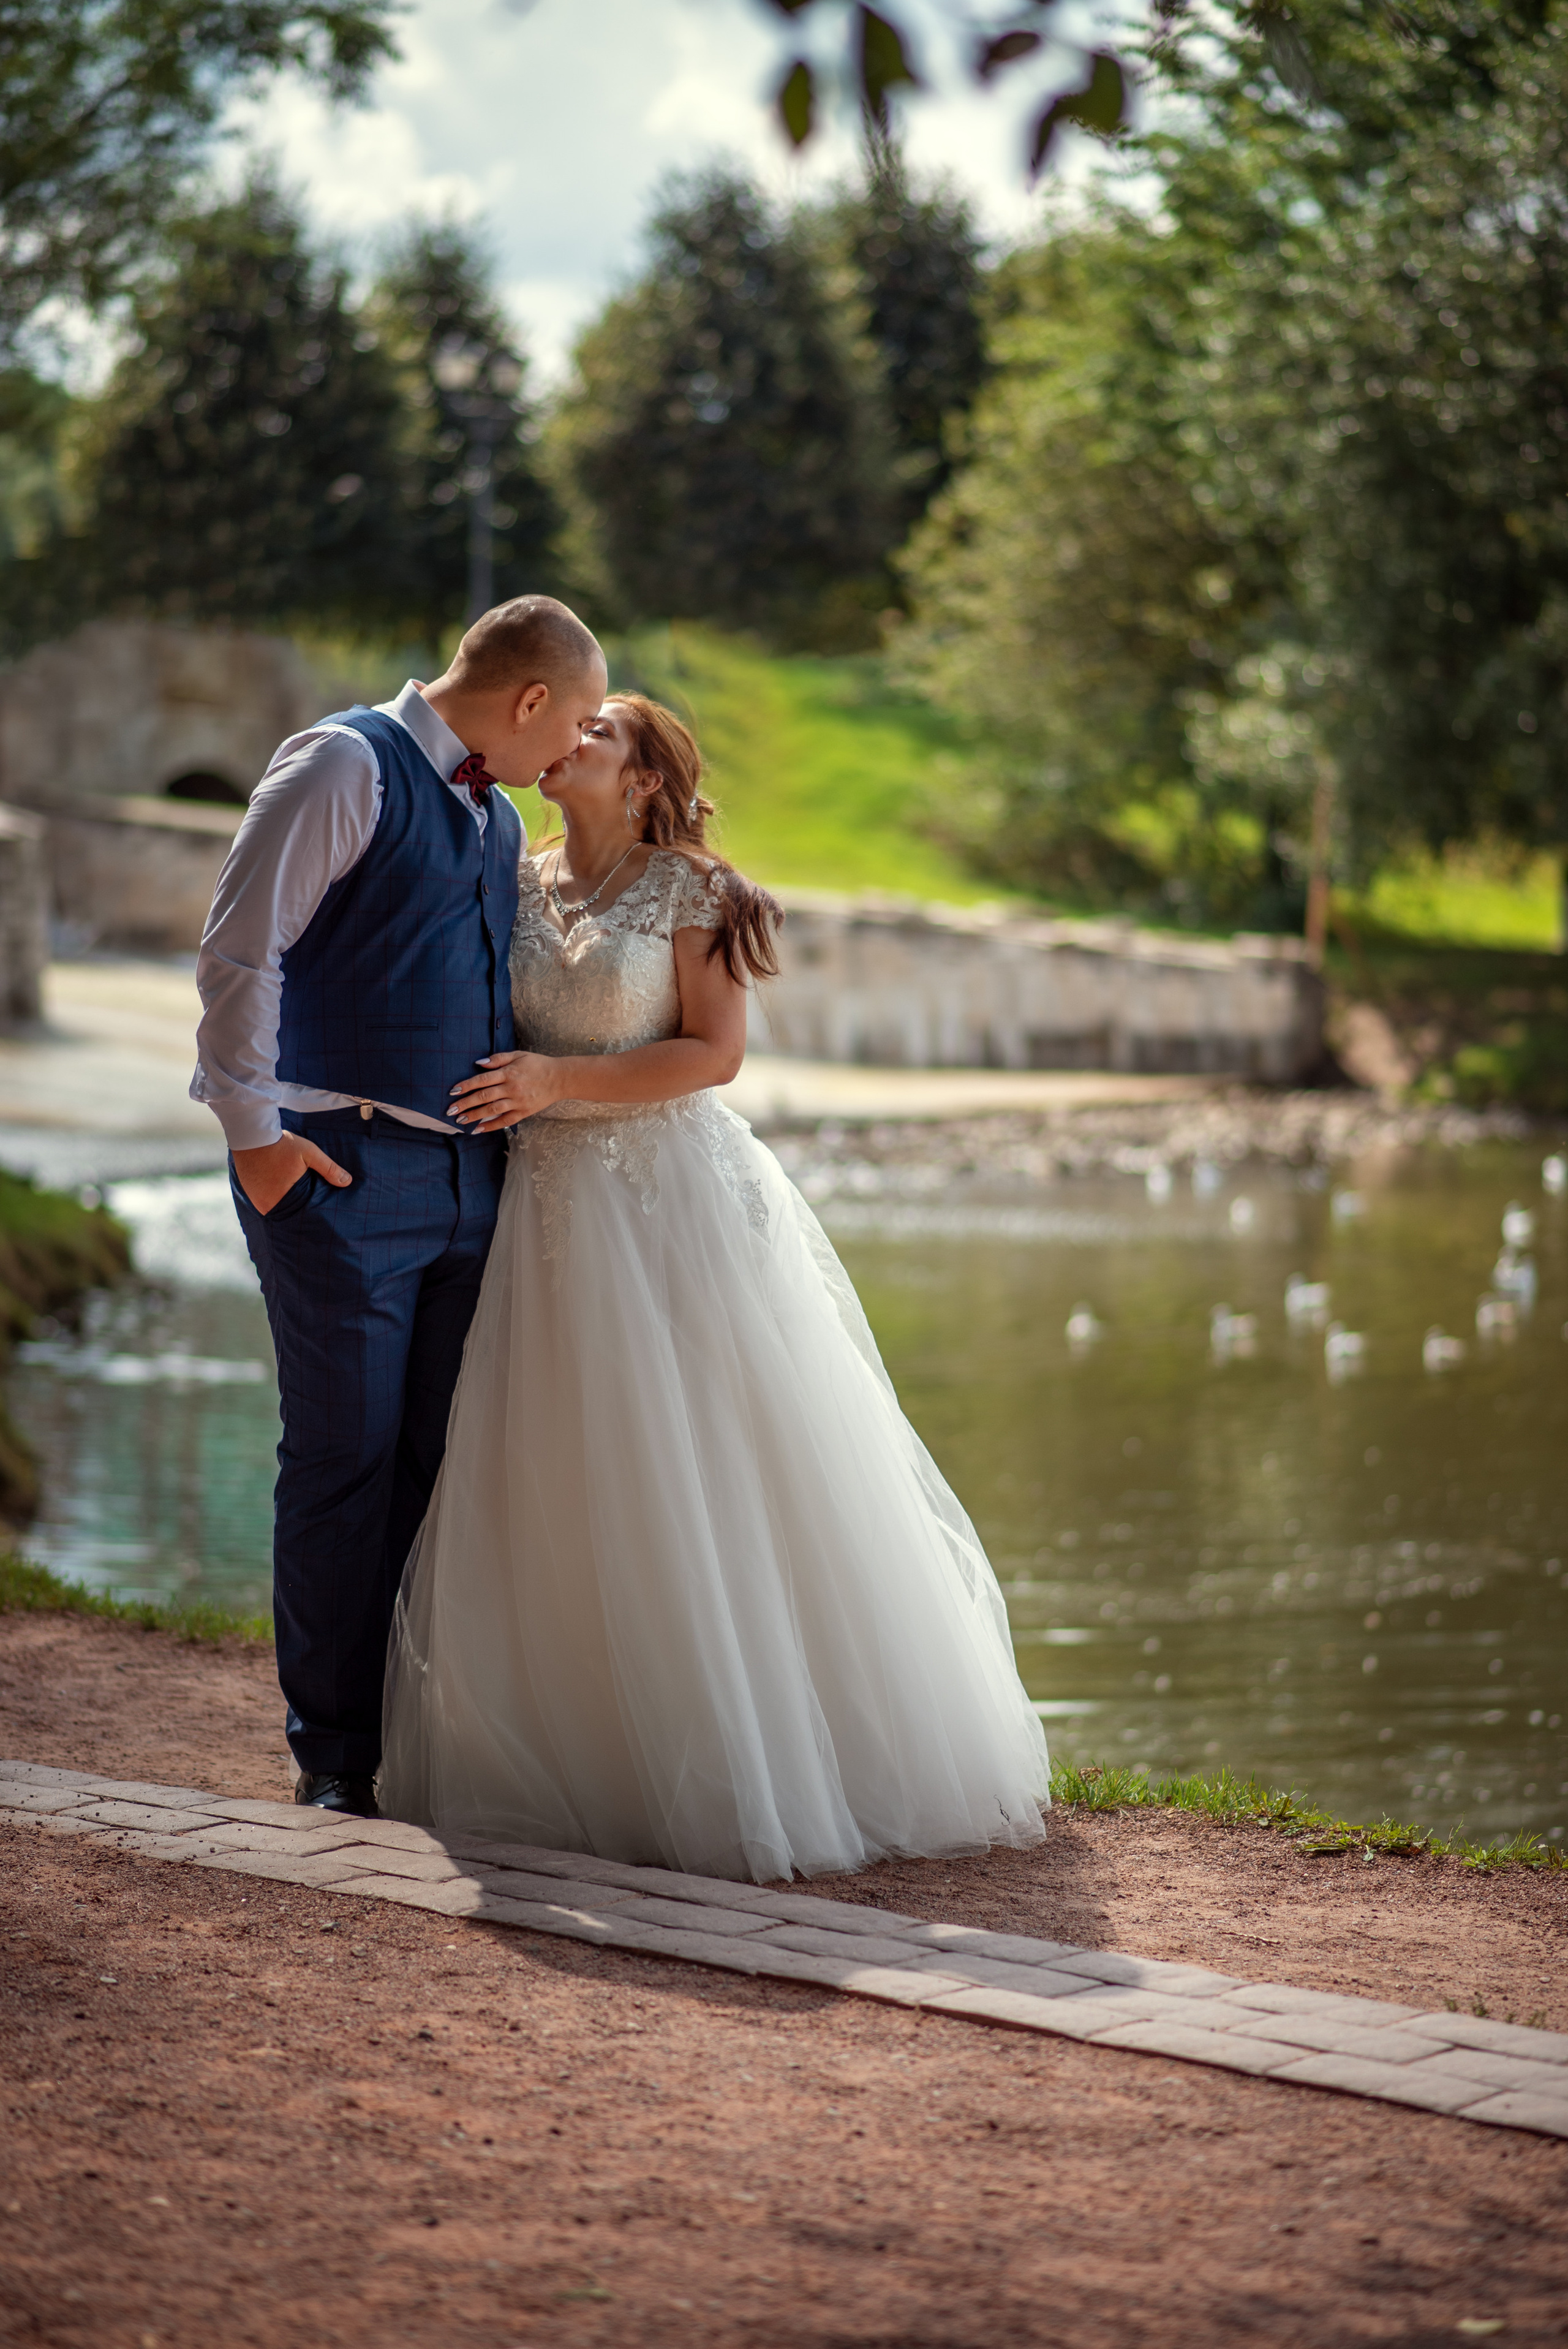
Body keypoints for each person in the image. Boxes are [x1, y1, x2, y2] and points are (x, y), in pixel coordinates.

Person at [380, 694, 1049, 1884]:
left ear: (642, 782)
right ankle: (573, 1757)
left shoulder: (693, 892)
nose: (568, 741)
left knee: (697, 1467)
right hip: (537, 1208)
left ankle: (759, 1761)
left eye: (596, 734)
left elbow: (713, 1056)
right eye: (569, 726)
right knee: (554, 1469)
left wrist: (554, 1082)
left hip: (662, 1207)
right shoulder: (512, 875)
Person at [192, 596, 608, 1818]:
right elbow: (237, 951)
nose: (570, 749)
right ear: (528, 700)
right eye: (573, 720)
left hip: (469, 1193)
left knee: (438, 1464)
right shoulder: (341, 764)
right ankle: (334, 1755)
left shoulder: (490, 816)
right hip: (340, 1176)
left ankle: (415, 1737)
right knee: (342, 1457)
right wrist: (257, 1142)